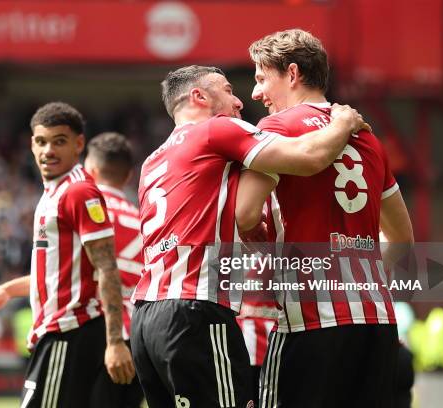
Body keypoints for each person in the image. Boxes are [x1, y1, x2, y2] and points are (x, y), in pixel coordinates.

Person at [130, 65, 368, 408]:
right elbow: (309, 157)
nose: (240, 102)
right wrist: (342, 123)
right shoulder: (215, 131)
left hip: (145, 318)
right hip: (194, 311)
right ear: (199, 96)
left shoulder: (153, 160)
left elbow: (228, 209)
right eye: (228, 91)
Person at [246, 29, 414, 408]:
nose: (256, 94)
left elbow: (244, 215)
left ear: (291, 74)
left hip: (312, 320)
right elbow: (402, 237)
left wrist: (259, 246)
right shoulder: (369, 139)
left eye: (260, 79)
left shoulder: (277, 130)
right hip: (377, 322)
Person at [0, 102, 134, 408]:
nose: (48, 150)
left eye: (59, 141)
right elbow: (59, 273)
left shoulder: (78, 192)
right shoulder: (54, 193)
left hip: (69, 331)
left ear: (79, 144)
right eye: (41, 141)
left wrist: (115, 342)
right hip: (59, 332)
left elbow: (106, 268)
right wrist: (7, 290)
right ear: (31, 145)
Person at [85, 132, 145, 408]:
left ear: (91, 170)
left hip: (95, 332)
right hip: (138, 339)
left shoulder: (85, 210)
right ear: (129, 175)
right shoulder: (145, 221)